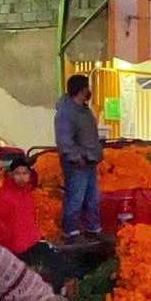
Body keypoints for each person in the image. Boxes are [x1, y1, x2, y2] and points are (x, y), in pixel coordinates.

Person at [0, 158, 65, 290]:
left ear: (29, 175)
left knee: (57, 260)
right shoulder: (3, 196)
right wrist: (10, 245)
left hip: (30, 243)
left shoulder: (28, 194)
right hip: (12, 248)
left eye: (24, 173)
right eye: (17, 174)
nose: (21, 177)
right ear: (11, 175)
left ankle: (57, 292)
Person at [54, 74, 103, 241]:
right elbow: (64, 140)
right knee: (75, 198)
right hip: (77, 164)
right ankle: (71, 232)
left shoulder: (84, 110)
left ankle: (92, 229)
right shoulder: (66, 113)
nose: (89, 90)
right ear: (81, 90)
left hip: (90, 161)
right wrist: (76, 158)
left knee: (92, 199)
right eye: (87, 87)